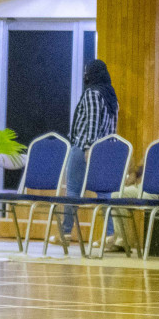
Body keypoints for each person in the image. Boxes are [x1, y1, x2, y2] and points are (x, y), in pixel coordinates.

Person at [59, 58, 119, 246]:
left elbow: (92, 122)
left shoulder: (92, 93)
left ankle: (66, 232)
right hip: (105, 151)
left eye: (87, 71)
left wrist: (87, 148)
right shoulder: (111, 96)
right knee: (104, 194)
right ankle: (110, 234)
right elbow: (113, 129)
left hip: (84, 147)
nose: (85, 75)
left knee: (73, 192)